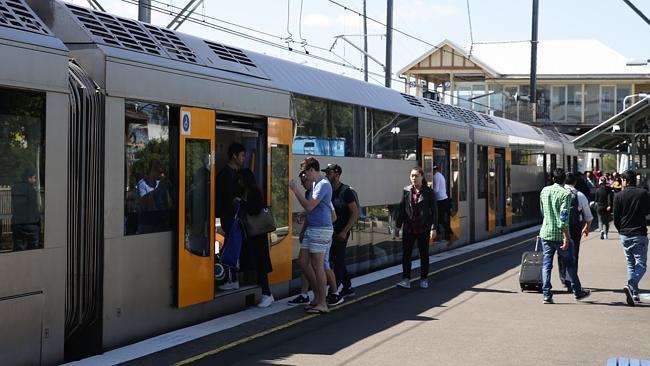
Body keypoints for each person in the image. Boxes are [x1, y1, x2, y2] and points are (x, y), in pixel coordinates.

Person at [539, 168, 591, 304]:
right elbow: (563, 219)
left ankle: (546, 294)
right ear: (564, 179)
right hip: (560, 236)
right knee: (570, 264)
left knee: (546, 265)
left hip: (545, 233)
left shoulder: (544, 191)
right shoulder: (565, 194)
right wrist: (566, 237)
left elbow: (542, 211)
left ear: (552, 178)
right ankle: (578, 292)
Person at [289, 157, 334, 314]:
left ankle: (322, 302)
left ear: (312, 170)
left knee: (317, 265)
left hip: (321, 228)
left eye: (304, 173)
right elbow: (314, 208)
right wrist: (304, 213)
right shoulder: (316, 184)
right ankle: (317, 296)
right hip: (314, 227)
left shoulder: (322, 185)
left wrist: (296, 190)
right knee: (302, 261)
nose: (304, 177)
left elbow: (309, 205)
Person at [394, 167, 437, 289]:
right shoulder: (406, 190)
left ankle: (424, 278)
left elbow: (434, 211)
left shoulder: (428, 192)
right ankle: (406, 279)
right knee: (406, 255)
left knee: (423, 254)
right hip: (409, 228)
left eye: (416, 176)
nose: (414, 178)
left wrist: (433, 228)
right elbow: (402, 209)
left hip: (423, 228)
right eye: (412, 176)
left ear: (422, 177)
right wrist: (398, 226)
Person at [237, 169, 274, 308]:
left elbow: (255, 209)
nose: (239, 182)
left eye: (240, 179)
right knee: (256, 263)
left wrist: (241, 203)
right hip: (252, 234)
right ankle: (265, 293)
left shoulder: (254, 192)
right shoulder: (247, 191)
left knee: (260, 264)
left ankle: (267, 294)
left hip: (257, 235)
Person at [612, 169, 649, 306]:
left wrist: (621, 230)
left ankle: (634, 293)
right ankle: (631, 284)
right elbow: (647, 211)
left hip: (625, 234)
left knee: (631, 263)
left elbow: (616, 217)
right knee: (642, 265)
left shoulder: (619, 196)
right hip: (639, 232)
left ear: (625, 181)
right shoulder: (643, 193)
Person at [323, 163, 359, 303]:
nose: (326, 175)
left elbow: (355, 213)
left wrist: (345, 231)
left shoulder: (346, 191)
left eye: (329, 173)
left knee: (337, 261)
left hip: (341, 231)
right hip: (330, 231)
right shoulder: (328, 190)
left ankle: (335, 292)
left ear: (337, 174)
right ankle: (348, 287)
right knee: (336, 259)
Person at [216, 142, 246, 290]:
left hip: (234, 217)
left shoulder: (234, 173)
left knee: (233, 245)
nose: (243, 159)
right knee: (231, 246)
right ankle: (232, 278)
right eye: (242, 155)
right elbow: (225, 199)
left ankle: (233, 278)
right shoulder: (225, 174)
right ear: (234, 156)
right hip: (230, 217)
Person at [558, 172, 593, 290]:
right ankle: (571, 279)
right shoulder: (579, 195)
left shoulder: (558, 192)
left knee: (561, 252)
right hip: (574, 227)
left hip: (560, 227)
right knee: (573, 253)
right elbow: (588, 216)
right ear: (575, 182)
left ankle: (563, 278)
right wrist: (586, 227)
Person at [136, 160, 172, 234]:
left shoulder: (160, 184)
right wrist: (158, 189)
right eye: (159, 172)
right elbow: (146, 206)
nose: (161, 175)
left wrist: (168, 188)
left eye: (162, 172)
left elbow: (168, 204)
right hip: (147, 225)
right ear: (152, 171)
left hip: (161, 225)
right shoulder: (142, 184)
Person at [11, 169, 40, 250]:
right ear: (29, 178)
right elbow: (34, 209)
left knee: (18, 250)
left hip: (17, 225)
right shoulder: (32, 190)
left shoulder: (15, 188)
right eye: (34, 178)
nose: (35, 180)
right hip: (31, 225)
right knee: (33, 251)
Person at [432, 164, 453, 240]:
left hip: (440, 201)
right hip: (444, 199)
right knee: (439, 218)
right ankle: (441, 234)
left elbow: (436, 190)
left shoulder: (436, 177)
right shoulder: (440, 175)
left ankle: (448, 233)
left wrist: (428, 189)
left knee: (438, 218)